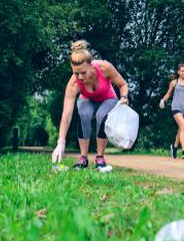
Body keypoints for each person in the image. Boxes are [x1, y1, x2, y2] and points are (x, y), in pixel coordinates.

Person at [52, 40, 129, 169]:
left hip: (108, 98)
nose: (80, 77)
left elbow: (123, 84)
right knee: (84, 114)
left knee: (101, 115)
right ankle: (83, 159)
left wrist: (124, 97)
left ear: (91, 65)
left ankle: (100, 158)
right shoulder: (73, 83)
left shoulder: (105, 68)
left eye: (83, 72)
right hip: (87, 100)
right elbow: (67, 113)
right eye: (76, 73)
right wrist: (61, 142)